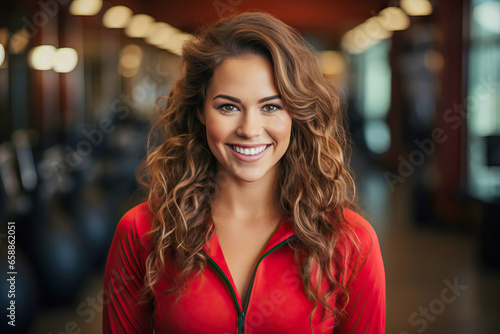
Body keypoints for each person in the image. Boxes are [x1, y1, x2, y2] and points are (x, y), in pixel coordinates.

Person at [103, 11, 385, 334]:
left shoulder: (352, 243)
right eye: (228, 107)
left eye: (271, 106)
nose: (250, 129)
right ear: (201, 111)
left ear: (296, 114)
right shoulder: (142, 232)